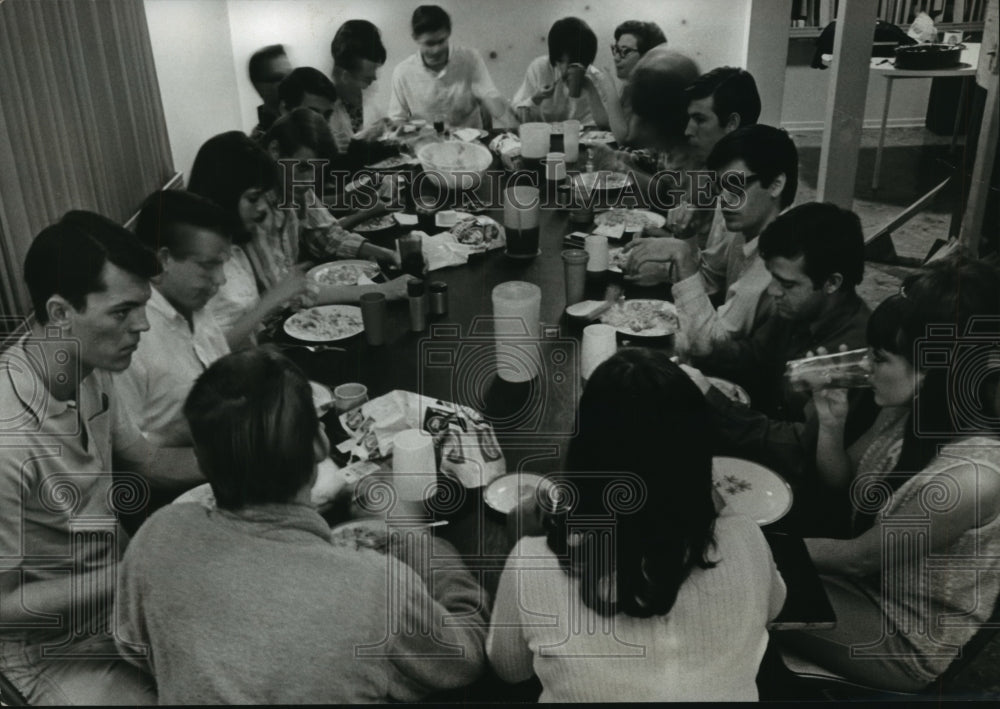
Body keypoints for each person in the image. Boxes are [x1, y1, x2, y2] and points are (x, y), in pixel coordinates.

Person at [115, 347, 490, 703]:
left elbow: (135, 647)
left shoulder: (157, 536)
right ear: (319, 445)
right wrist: (420, 542)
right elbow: (466, 660)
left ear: (198, 458)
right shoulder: (376, 588)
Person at [487, 348, 786, 701]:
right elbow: (773, 608)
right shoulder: (746, 538)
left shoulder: (532, 564)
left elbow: (509, 669)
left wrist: (522, 549)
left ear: (584, 457)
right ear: (700, 455)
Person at [0, 212, 205, 704]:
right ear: (60, 312)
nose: (143, 325)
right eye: (122, 311)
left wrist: (253, 463)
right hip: (50, 650)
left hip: (119, 601)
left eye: (142, 306)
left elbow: (148, 461)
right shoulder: (8, 436)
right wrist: (135, 569)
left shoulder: (89, 368)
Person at [778, 256, 1000, 691]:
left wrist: (752, 543)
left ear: (934, 370)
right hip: (865, 585)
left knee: (740, 592)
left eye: (879, 358)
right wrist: (832, 422)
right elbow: (843, 482)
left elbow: (858, 556)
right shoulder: (913, 406)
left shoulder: (970, 479)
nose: (865, 367)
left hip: (905, 635)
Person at [677, 203, 873, 494]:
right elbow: (756, 355)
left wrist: (713, 400)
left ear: (832, 283)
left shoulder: (852, 352)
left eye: (787, 284)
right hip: (760, 441)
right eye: (772, 278)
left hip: (797, 486)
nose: (773, 291)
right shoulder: (799, 309)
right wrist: (709, 351)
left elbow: (798, 447)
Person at [188, 132, 402, 348]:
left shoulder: (234, 247)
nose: (262, 207)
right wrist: (274, 299)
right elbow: (208, 350)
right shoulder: (196, 260)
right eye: (253, 198)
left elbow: (258, 315)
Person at [625, 124, 799, 358]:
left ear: (776, 185)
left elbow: (709, 346)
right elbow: (709, 281)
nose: (723, 199)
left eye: (735, 186)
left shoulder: (776, 261)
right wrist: (686, 236)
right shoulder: (747, 224)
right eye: (720, 187)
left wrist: (682, 256)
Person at [115, 190, 231, 448]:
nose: (221, 279)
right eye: (208, 265)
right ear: (162, 260)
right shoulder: (130, 339)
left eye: (222, 264)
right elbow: (126, 453)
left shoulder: (193, 302)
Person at [388, 5, 518, 129]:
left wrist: (511, 122)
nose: (436, 50)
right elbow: (397, 118)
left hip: (470, 140)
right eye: (429, 43)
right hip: (427, 141)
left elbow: (489, 95)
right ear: (415, 38)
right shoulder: (402, 72)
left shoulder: (470, 59)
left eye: (441, 41)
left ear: (449, 34)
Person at [512, 17, 610, 128]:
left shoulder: (593, 76)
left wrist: (590, 89)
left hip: (581, 136)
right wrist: (535, 99)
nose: (577, 68)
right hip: (543, 135)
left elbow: (606, 125)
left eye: (582, 63)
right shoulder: (540, 68)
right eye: (570, 63)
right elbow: (517, 113)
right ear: (556, 60)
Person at [328, 19, 393, 156]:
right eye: (366, 78)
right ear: (345, 76)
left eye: (375, 70)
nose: (375, 78)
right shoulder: (324, 110)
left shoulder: (370, 95)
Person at [604, 20, 668, 143]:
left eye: (625, 51)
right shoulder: (630, 86)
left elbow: (625, 140)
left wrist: (608, 86)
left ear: (647, 56)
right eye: (616, 49)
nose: (616, 58)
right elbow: (610, 124)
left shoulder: (653, 91)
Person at [248, 44, 292, 141]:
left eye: (291, 75)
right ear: (260, 86)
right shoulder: (259, 142)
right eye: (280, 78)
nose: (292, 82)